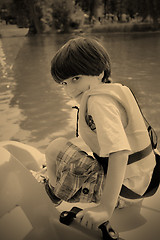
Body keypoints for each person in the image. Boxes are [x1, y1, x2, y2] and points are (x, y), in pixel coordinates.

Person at [45, 37, 156, 230]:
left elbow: (119, 152)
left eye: (76, 79)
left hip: (124, 193)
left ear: (99, 72)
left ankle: (53, 192)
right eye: (64, 84)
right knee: (70, 148)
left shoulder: (98, 102)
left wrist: (105, 208)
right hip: (145, 182)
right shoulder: (112, 93)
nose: (70, 90)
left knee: (55, 147)